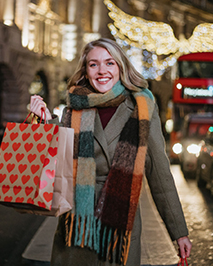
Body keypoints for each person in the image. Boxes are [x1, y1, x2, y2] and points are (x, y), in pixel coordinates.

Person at [29, 38, 192, 266]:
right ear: (85, 70)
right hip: (77, 223)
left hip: (119, 225)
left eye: (109, 63)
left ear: (121, 68)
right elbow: (57, 156)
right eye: (93, 64)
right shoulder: (74, 108)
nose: (102, 70)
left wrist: (179, 231)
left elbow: (159, 173)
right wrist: (45, 122)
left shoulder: (141, 109)